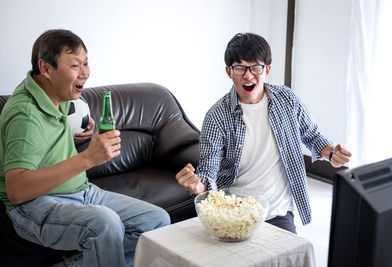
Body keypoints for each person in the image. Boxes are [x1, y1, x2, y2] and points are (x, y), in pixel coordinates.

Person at [0, 29, 170, 267]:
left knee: (157, 221)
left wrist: (76, 136)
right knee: (105, 224)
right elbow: (17, 189)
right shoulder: (25, 115)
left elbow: (41, 144)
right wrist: (88, 158)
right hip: (34, 205)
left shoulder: (53, 93)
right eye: (75, 66)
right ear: (46, 68)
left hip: (81, 191)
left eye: (86, 63)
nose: (85, 73)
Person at [176, 32, 352, 234]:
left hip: (278, 213)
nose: (248, 75)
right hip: (233, 215)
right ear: (229, 71)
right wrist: (198, 187)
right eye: (240, 68)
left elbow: (311, 135)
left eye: (256, 68)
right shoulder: (216, 117)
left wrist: (331, 153)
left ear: (267, 69)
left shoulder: (287, 99)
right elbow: (208, 171)